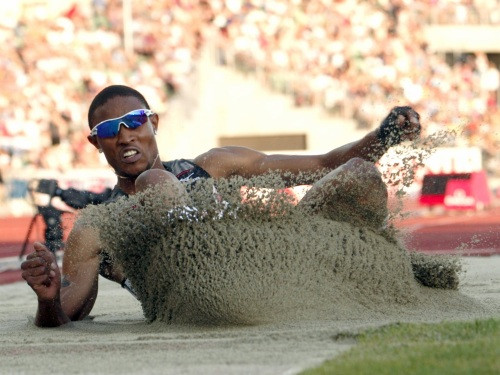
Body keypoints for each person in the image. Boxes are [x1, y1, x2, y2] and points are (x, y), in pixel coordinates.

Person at [21, 84, 421, 327]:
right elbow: (67, 311)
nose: (125, 136)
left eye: (135, 121)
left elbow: (322, 166)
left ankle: (389, 274)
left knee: (358, 174)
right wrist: (47, 301)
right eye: (109, 130)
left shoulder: (215, 165)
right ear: (96, 143)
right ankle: (199, 233)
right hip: (201, 298)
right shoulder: (96, 225)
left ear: (153, 123)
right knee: (154, 182)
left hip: (282, 263)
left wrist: (384, 135)